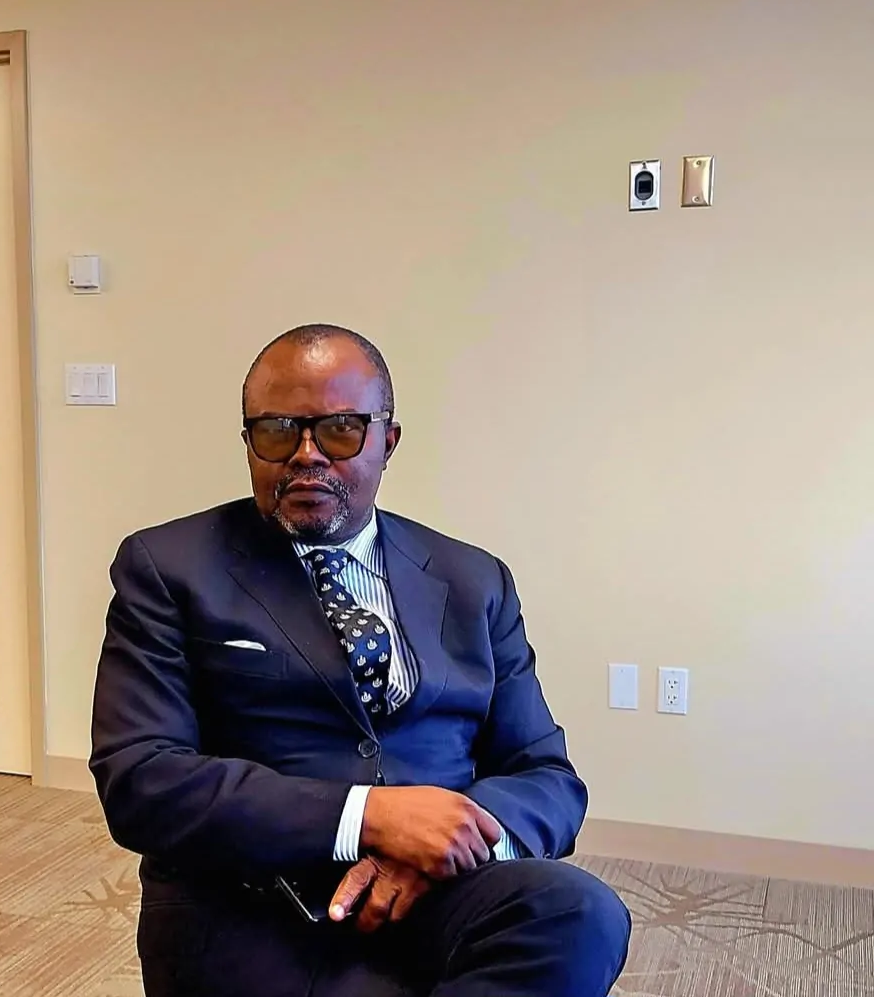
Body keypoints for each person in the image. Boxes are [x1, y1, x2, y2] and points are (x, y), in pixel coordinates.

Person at [90, 324, 631, 997]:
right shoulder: (169, 567)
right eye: (277, 430)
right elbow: (141, 777)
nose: (306, 455)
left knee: (580, 914)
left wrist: (441, 849)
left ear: (387, 440)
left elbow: (546, 777)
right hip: (254, 901)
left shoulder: (473, 579)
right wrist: (370, 816)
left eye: (340, 429)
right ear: (249, 441)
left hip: (437, 891)